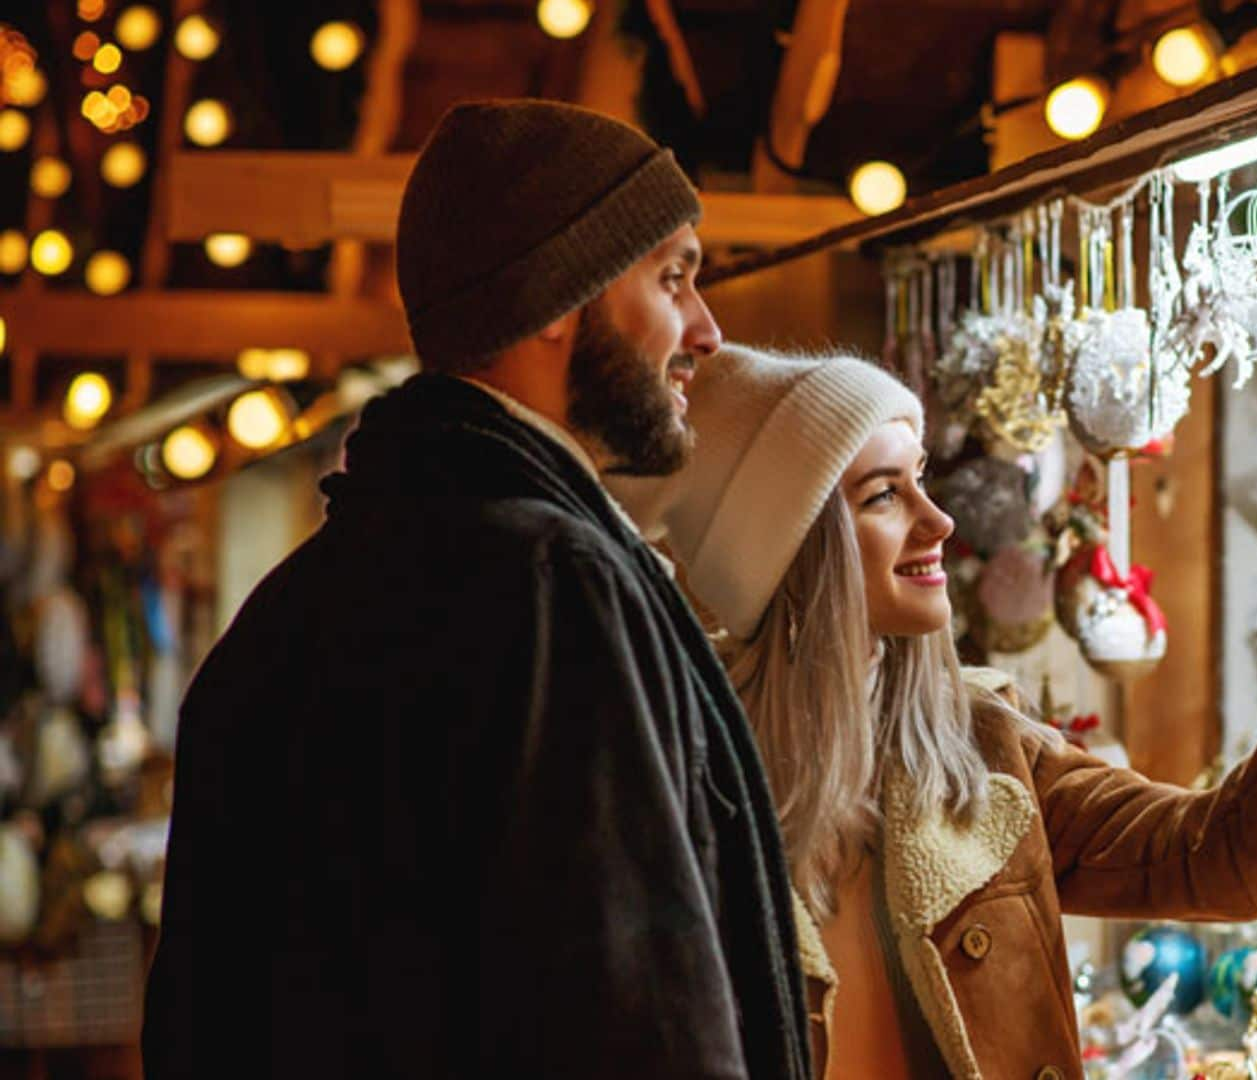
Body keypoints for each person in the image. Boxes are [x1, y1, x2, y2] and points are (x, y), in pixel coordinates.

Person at [617, 345, 1257, 1080]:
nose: (940, 522)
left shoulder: (982, 747)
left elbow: (1223, 862)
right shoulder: (675, 786)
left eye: (923, 480)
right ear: (787, 545)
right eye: (885, 496)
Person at [144, 102, 811, 1079]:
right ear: (553, 299)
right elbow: (637, 1019)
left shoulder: (281, 616)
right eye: (672, 277)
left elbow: (196, 1028)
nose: (705, 330)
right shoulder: (555, 584)